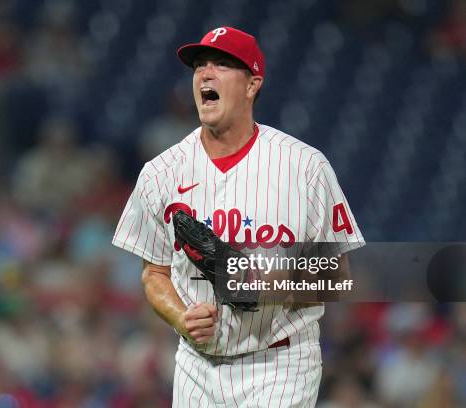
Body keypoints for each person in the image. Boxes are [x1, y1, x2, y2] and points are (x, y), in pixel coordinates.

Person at [112, 26, 364, 406]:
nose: (205, 73)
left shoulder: (304, 166)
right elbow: (154, 273)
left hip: (280, 360)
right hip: (196, 365)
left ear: (252, 85)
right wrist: (181, 317)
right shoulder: (161, 173)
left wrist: (258, 280)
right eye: (199, 65)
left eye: (222, 64)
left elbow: (338, 274)